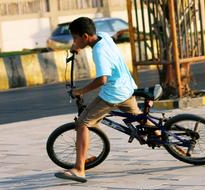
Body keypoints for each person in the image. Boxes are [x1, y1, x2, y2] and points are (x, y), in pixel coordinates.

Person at [55, 17, 143, 182]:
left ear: (85, 36)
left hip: (114, 93)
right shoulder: (103, 35)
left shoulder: (98, 52)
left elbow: (102, 79)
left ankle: (79, 169)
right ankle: (166, 138)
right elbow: (86, 43)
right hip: (127, 87)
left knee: (82, 123)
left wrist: (80, 91)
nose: (73, 41)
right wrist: (77, 47)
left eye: (75, 38)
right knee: (139, 118)